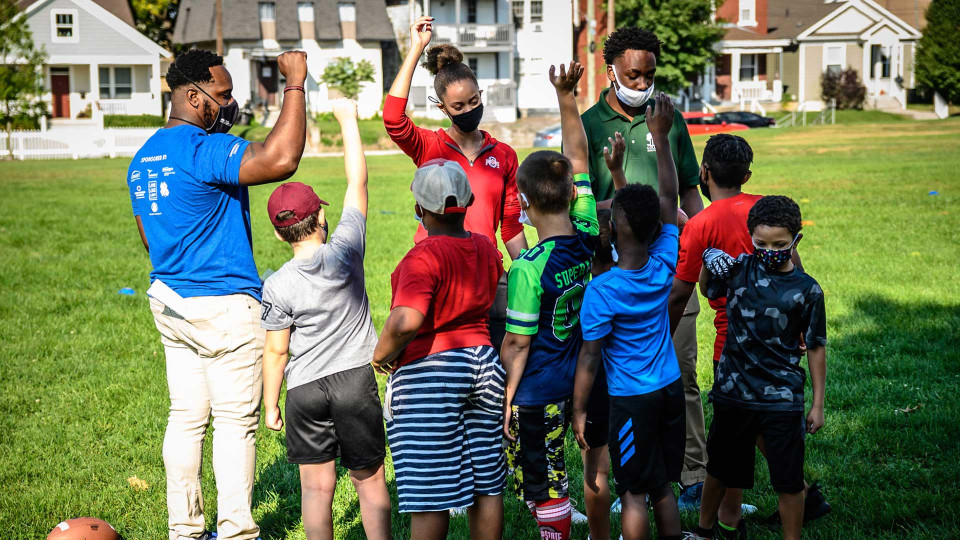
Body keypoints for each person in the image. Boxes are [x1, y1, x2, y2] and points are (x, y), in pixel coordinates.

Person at [127, 48, 308, 540]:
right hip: (225, 306)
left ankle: (184, 529)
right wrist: (294, 84)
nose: (229, 105)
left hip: (170, 301)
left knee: (185, 419)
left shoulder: (144, 157)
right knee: (233, 423)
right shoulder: (201, 149)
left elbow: (149, 236)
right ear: (192, 95)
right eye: (222, 96)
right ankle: (235, 532)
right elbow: (281, 157)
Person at [668, 135, 829, 524]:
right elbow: (799, 274)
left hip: (732, 346)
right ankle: (733, 515)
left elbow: (683, 292)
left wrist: (660, 338)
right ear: (747, 174)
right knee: (752, 429)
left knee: (737, 434)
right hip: (782, 346)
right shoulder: (770, 210)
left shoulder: (701, 223)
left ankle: (795, 496)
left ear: (704, 173)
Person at [579, 26, 708, 508]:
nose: (642, 82)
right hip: (610, 277)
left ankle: (691, 476)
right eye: (633, 74)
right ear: (611, 70)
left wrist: (702, 247)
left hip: (672, 272)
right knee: (616, 382)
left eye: (650, 74)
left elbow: (688, 189)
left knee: (683, 375)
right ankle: (621, 477)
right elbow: (582, 201)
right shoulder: (590, 125)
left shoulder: (669, 118)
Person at [258, 101, 391, 540]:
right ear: (321, 217)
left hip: (304, 390)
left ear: (279, 233)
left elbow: (276, 349)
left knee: (316, 490)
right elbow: (358, 181)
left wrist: (271, 402)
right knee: (369, 483)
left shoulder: (275, 285)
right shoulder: (346, 249)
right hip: (353, 381)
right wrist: (348, 120)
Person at [372, 159, 506, 540]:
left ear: (420, 209)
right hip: (483, 363)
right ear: (469, 202)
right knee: (486, 482)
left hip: (431, 375)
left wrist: (380, 357)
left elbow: (405, 322)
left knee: (432, 491)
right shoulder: (484, 247)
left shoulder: (423, 256)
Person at [572, 93, 685, 540]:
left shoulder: (602, 291)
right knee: (661, 485)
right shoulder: (663, 260)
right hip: (669, 391)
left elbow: (589, 359)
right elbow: (667, 198)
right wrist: (659, 139)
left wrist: (580, 409)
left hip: (630, 401)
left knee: (633, 490)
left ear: (614, 227)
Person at [383, 15, 527, 350]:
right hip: (437, 270)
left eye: (474, 102)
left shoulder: (503, 155)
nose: (468, 110)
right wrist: (416, 49)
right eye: (458, 106)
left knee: (492, 357)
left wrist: (529, 272)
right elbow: (393, 119)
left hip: (485, 273)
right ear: (442, 107)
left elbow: (510, 228)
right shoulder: (430, 147)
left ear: (482, 93)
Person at [690, 195, 827, 540]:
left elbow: (815, 346)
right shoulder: (738, 269)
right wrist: (709, 261)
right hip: (733, 394)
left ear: (796, 240)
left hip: (782, 399)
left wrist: (818, 403)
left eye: (780, 244)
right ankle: (704, 532)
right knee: (719, 470)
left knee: (789, 479)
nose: (770, 250)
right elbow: (708, 289)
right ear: (751, 236)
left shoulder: (807, 290)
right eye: (761, 243)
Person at [500, 62, 597, 540]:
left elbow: (517, 344)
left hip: (537, 391)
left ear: (522, 201)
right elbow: (577, 161)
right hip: (575, 378)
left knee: (541, 485)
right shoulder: (586, 234)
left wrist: (505, 398)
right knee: (555, 466)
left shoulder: (527, 267)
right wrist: (567, 96)